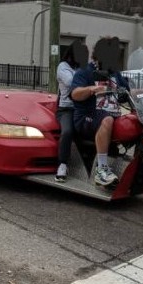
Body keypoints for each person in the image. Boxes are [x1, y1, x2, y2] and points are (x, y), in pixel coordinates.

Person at [70, 38, 128, 186]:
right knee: (107, 119)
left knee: (135, 121)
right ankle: (101, 170)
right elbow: (75, 94)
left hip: (112, 115)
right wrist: (92, 89)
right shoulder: (86, 71)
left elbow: (127, 91)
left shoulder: (114, 73)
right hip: (87, 116)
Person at [55, 45, 80, 182]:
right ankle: (62, 164)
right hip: (67, 109)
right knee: (67, 131)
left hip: (83, 108)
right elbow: (70, 82)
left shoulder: (82, 68)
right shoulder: (63, 66)